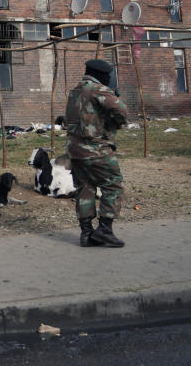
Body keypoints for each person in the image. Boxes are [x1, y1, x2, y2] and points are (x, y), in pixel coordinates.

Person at [64, 59, 129, 248]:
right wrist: (114, 121)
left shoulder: (75, 90)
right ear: (102, 75)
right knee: (114, 185)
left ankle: (86, 233)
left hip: (74, 150)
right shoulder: (98, 89)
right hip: (95, 150)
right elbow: (121, 110)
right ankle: (104, 230)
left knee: (85, 188)